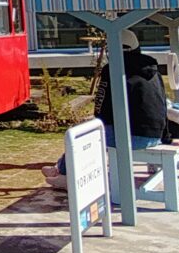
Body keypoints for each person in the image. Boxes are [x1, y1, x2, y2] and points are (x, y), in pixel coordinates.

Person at [43, 29, 168, 188]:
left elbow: (102, 108)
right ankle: (60, 168)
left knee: (86, 135)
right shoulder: (152, 68)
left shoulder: (113, 69)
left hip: (132, 137)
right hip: (156, 134)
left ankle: (66, 174)